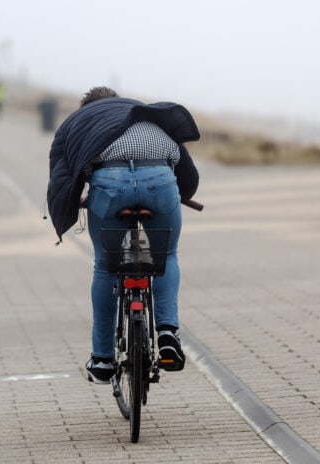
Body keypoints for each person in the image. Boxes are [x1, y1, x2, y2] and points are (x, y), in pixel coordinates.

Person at [46, 86, 200, 384]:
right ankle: (167, 331)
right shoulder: (145, 113)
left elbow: (61, 173)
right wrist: (180, 193)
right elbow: (188, 174)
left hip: (109, 183)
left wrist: (71, 200)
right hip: (160, 179)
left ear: (87, 107)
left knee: (105, 266)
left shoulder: (76, 123)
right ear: (117, 100)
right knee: (165, 255)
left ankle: (102, 359)